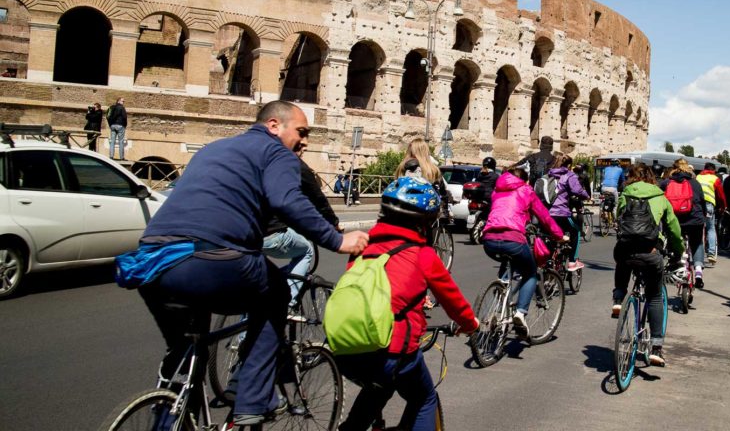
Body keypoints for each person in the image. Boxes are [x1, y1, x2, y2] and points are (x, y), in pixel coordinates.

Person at [137, 100, 369, 425]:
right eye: (301, 132)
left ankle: (171, 415)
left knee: (188, 350)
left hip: (150, 260)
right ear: (274, 125)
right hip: (210, 258)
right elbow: (287, 200)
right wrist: (337, 240)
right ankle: (251, 402)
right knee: (276, 296)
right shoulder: (277, 153)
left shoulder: (213, 149)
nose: (304, 141)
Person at [337, 177, 478, 431]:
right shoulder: (423, 254)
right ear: (425, 222)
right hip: (392, 350)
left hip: (345, 347)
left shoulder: (363, 248)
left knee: (378, 388)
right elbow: (454, 302)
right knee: (424, 398)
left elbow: (377, 288)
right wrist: (471, 325)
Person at [480, 165, 565, 339]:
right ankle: (520, 312)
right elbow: (544, 217)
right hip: (513, 239)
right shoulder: (526, 190)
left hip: (488, 240)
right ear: (525, 180)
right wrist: (559, 235)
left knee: (507, 264)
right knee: (531, 273)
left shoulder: (497, 190)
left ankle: (500, 295)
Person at [612, 163, 683, 367]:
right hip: (651, 253)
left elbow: (619, 218)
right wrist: (678, 252)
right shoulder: (660, 197)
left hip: (626, 250)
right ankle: (656, 348)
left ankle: (618, 297)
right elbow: (674, 229)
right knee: (654, 297)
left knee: (622, 259)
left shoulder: (626, 194)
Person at [263, 144, 344, 313]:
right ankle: (287, 304)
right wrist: (334, 224)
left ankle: (243, 336)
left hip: (242, 231)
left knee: (261, 287)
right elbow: (318, 200)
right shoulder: (295, 165)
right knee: (306, 251)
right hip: (270, 233)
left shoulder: (264, 159)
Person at [660, 158, 708, 288]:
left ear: (673, 168)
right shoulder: (695, 183)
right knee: (697, 243)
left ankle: (676, 263)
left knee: (674, 239)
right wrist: (703, 216)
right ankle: (698, 272)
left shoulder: (666, 183)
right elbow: (702, 202)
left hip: (676, 220)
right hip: (695, 220)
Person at [546, 155, 590, 271]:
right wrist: (587, 196)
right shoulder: (569, 175)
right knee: (576, 231)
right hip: (561, 213)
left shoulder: (548, 174)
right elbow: (577, 190)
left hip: (547, 214)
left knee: (550, 236)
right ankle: (572, 261)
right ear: (569, 165)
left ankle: (549, 260)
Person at [696, 162, 727, 264]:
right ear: (713, 171)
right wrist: (723, 207)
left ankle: (696, 253)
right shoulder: (715, 179)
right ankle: (711, 254)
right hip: (709, 205)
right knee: (710, 228)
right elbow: (721, 195)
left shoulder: (698, 177)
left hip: (697, 205)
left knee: (698, 228)